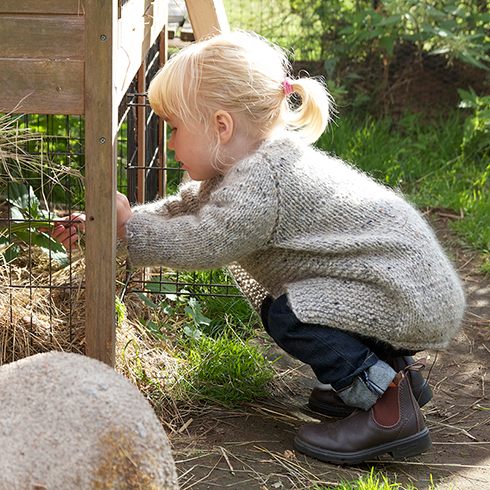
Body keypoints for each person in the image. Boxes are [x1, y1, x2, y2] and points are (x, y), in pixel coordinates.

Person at [50, 30, 466, 465]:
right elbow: (184, 209)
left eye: (173, 129)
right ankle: (399, 375)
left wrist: (128, 231)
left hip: (408, 293)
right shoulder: (249, 166)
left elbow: (205, 240)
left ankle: (387, 405)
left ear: (221, 126)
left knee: (288, 314)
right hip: (405, 285)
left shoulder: (262, 180)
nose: (170, 144)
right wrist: (119, 228)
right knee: (297, 304)